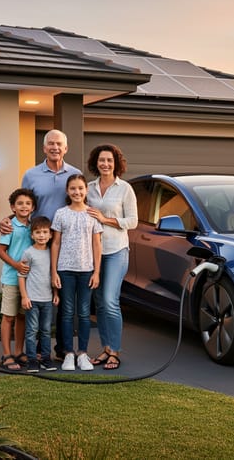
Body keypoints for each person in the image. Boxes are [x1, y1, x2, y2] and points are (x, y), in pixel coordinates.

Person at [1, 129, 81, 359]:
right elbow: (22, 204)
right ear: (44, 148)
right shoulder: (31, 175)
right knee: (35, 294)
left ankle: (63, 349)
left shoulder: (75, 174)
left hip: (67, 244)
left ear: (66, 148)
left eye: (59, 144)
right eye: (51, 144)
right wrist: (7, 219)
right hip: (37, 243)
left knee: (62, 299)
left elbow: (82, 203)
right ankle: (33, 349)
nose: (55, 147)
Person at [86, 144, 138, 370]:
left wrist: (105, 219)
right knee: (99, 303)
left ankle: (115, 351)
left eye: (109, 160)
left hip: (116, 250)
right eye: (101, 160)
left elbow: (133, 221)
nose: (105, 164)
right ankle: (106, 349)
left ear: (116, 163)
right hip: (93, 251)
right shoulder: (88, 188)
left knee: (109, 300)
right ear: (95, 163)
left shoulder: (125, 189)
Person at [51, 173, 102, 371]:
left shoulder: (92, 214)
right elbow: (55, 243)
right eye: (73, 188)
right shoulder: (61, 214)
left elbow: (97, 244)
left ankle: (82, 353)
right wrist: (53, 271)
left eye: (80, 188)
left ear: (86, 190)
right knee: (66, 313)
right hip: (65, 270)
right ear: (67, 191)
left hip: (86, 271)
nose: (77, 192)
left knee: (83, 313)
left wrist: (97, 272)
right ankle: (68, 354)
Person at [0, 188, 36, 371]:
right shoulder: (10, 225)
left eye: (28, 203)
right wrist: (17, 266)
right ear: (13, 207)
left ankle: (19, 352)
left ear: (33, 207)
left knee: (21, 316)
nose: (24, 206)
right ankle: (6, 354)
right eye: (20, 203)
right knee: (8, 317)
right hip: (12, 278)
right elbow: (0, 252)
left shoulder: (33, 227)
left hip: (27, 281)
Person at [18, 216, 59, 373]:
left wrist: (56, 293)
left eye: (45, 232)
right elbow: (21, 276)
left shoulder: (52, 253)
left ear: (50, 235)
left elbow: (52, 275)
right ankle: (32, 360)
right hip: (32, 300)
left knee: (46, 330)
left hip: (47, 299)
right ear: (32, 235)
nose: (41, 235)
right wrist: (24, 296)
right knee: (31, 330)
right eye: (38, 232)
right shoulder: (29, 253)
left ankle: (46, 359)